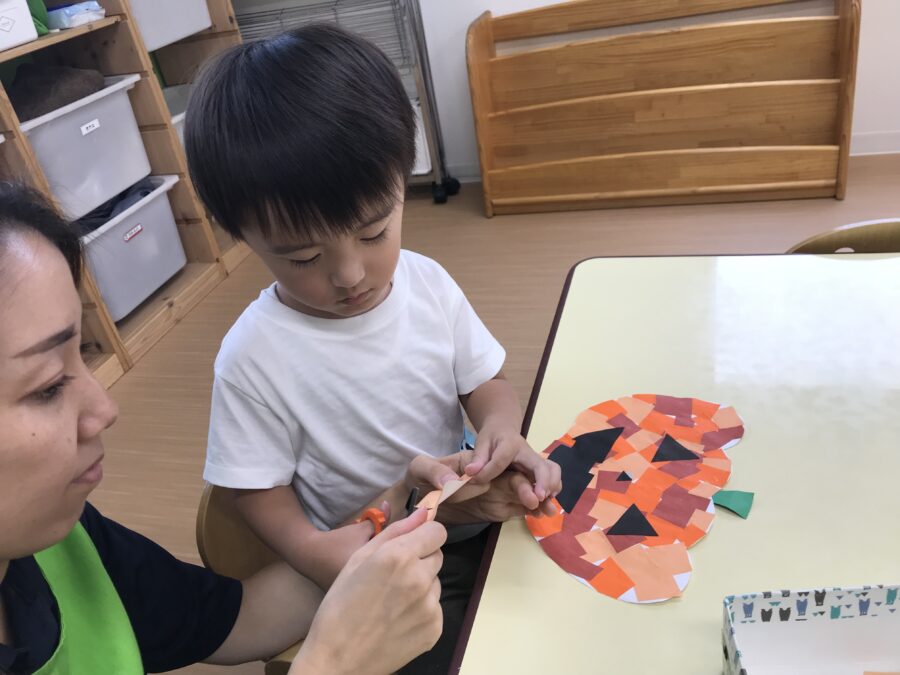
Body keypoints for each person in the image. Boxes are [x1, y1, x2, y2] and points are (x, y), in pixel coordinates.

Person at [185, 24, 562, 671]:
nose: (350, 274)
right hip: (373, 558)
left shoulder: (427, 283)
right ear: (242, 234)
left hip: (470, 510)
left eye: (374, 231)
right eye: (304, 257)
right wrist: (313, 552)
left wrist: (501, 429)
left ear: (402, 181)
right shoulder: (253, 357)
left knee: (559, 595)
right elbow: (254, 491)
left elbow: (486, 382)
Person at [0, 182, 451, 675]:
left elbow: (235, 620)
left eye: (84, 354)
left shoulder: (66, 545)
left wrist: (403, 509)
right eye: (47, 386)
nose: (104, 409)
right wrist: (332, 663)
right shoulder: (250, 357)